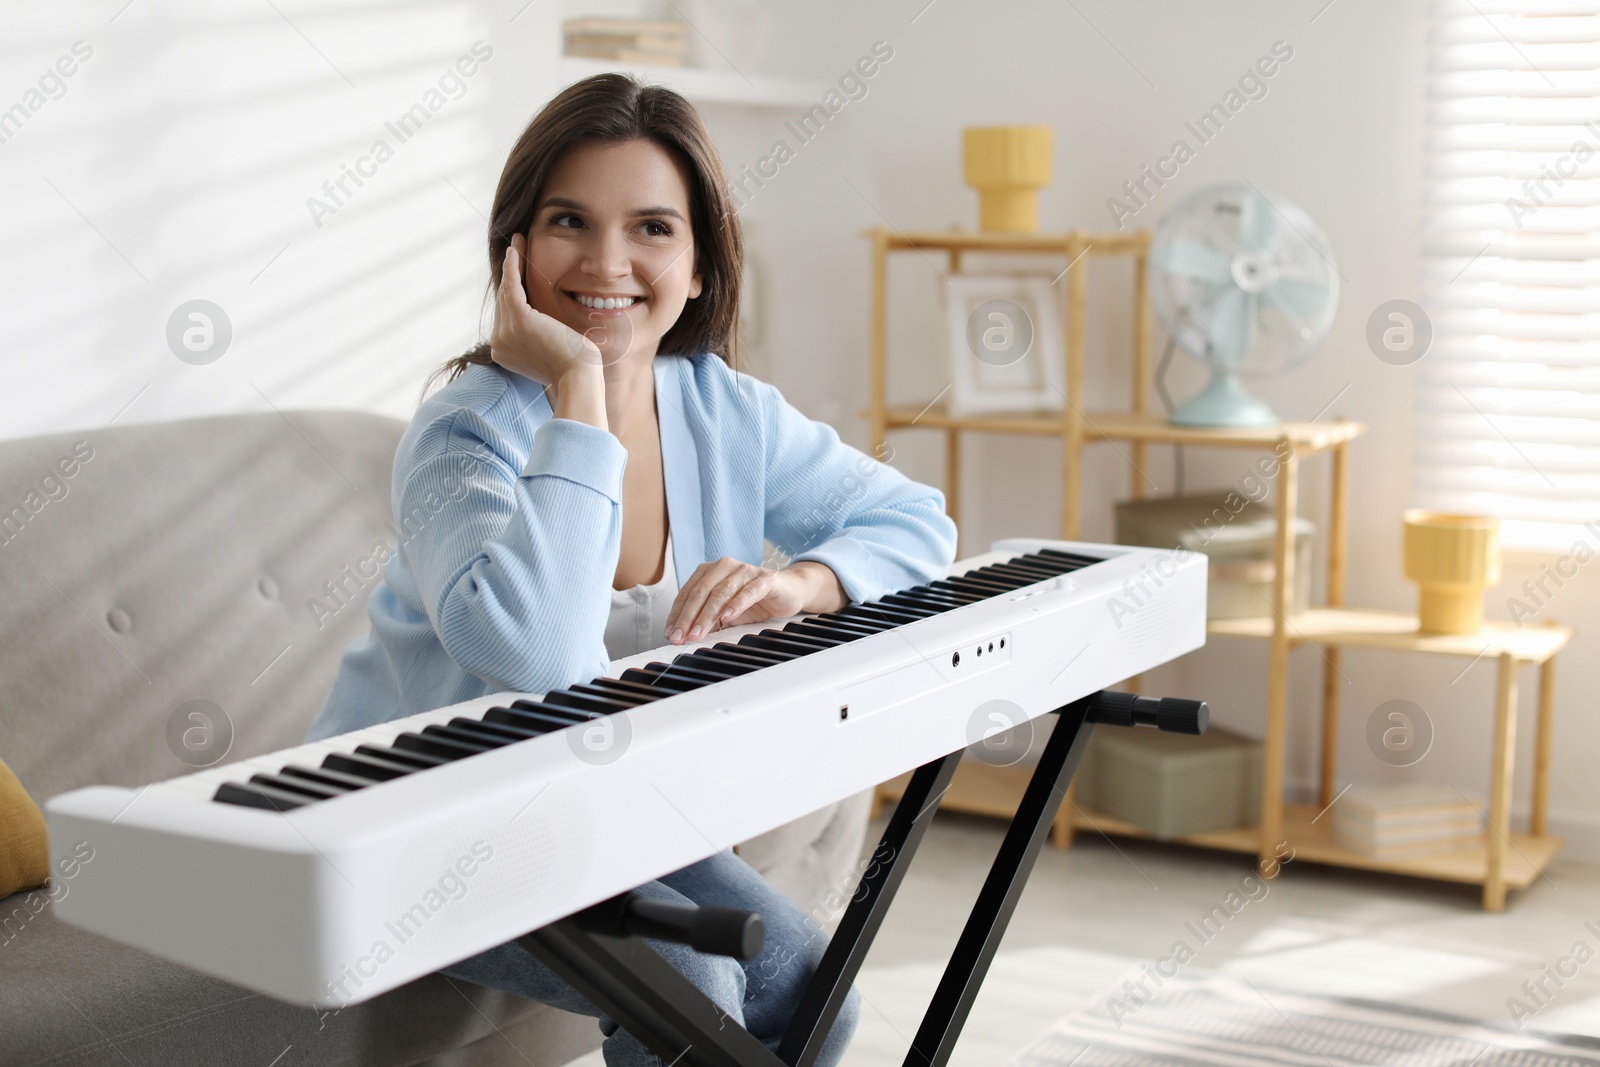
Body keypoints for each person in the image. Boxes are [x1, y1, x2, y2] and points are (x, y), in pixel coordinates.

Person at [305, 72, 957, 1066]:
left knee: (817, 986)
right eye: (569, 219)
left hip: (594, 819)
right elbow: (538, 659)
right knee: (689, 986)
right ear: (515, 251)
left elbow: (914, 519)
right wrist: (577, 387)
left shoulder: (721, 408)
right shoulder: (464, 435)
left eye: (652, 227)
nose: (607, 259)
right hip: (408, 834)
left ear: (699, 266)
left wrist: (804, 581)